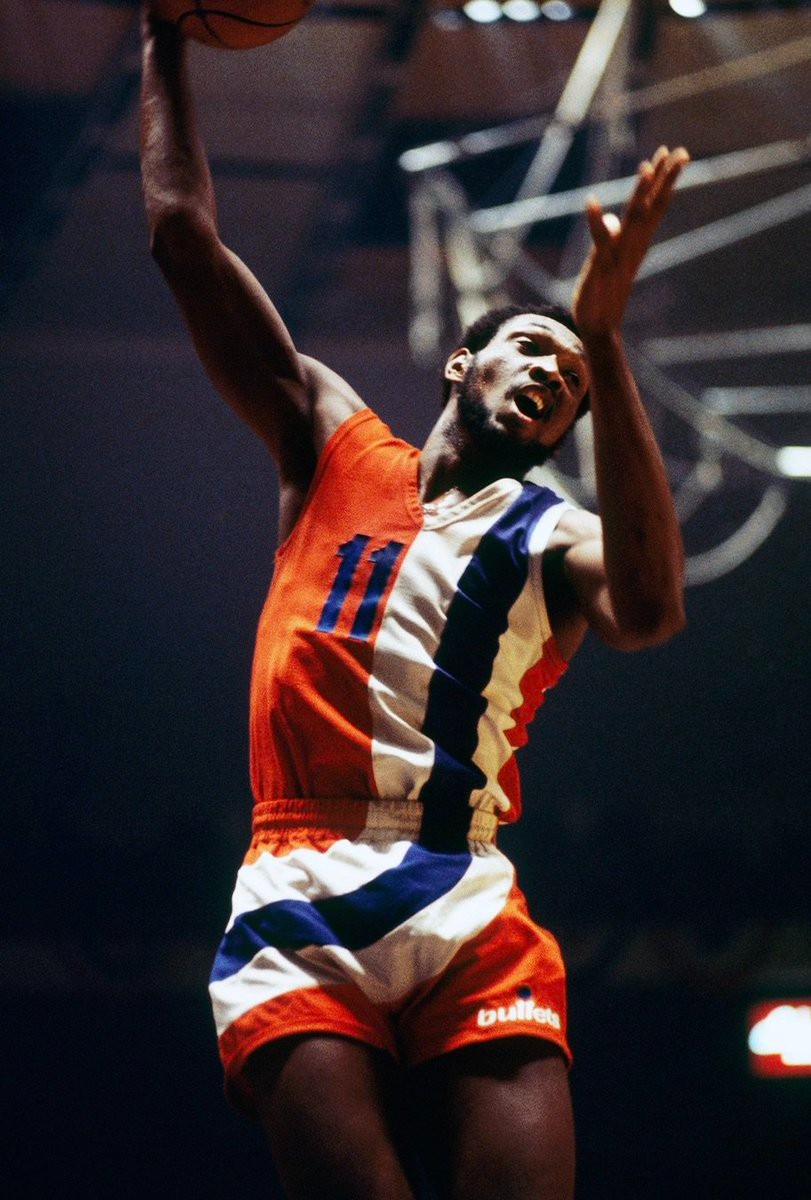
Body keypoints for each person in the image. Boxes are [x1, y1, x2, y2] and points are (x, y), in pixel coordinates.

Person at [139, 7, 688, 1198]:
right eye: (534, 348)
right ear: (461, 363)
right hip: (298, 874)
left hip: (460, 880)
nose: (551, 374)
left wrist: (604, 338)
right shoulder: (330, 440)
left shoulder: (555, 534)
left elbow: (649, 612)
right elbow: (181, 238)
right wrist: (164, 38)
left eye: (571, 380)